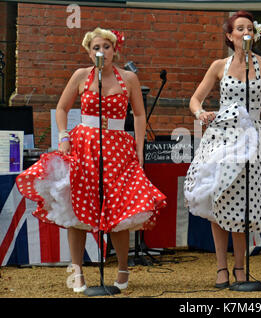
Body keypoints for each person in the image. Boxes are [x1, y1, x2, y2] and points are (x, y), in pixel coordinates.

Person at [15, 27, 167, 292]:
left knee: (119, 208)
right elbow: (62, 108)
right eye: (96, 48)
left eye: (106, 47)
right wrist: (63, 136)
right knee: (78, 209)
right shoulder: (81, 76)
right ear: (88, 52)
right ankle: (76, 271)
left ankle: (122, 269)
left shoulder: (128, 78)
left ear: (115, 50)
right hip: (84, 146)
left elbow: (140, 115)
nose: (102, 52)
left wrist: (140, 148)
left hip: (118, 148)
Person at [184, 11, 261, 288]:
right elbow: (195, 99)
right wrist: (200, 112)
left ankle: (240, 268)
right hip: (222, 138)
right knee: (218, 197)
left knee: (243, 202)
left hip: (252, 139)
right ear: (230, 36)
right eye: (240, 28)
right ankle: (221, 268)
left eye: (250, 28)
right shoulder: (219, 66)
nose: (245, 32)